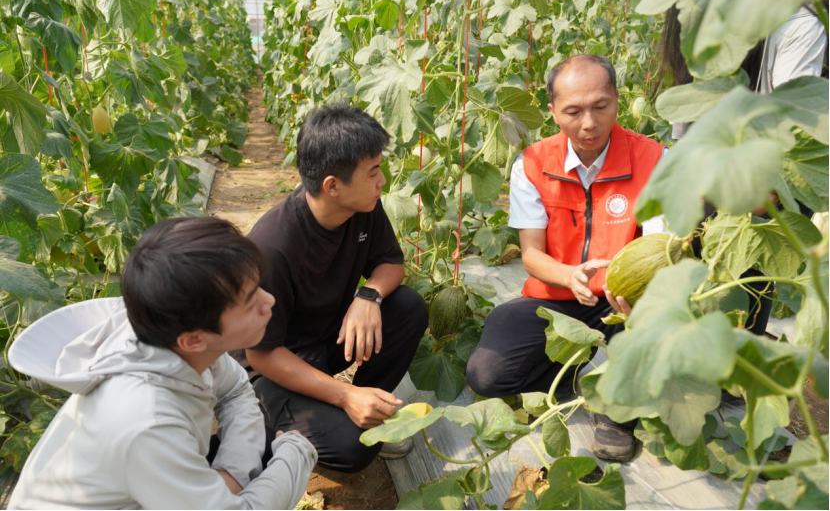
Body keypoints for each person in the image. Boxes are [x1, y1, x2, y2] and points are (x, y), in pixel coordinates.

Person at [7, 217, 317, 510]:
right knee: (275, 450)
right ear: (193, 339)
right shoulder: (147, 422)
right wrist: (296, 454)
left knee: (258, 443)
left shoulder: (172, 335)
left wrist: (232, 474)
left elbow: (235, 389)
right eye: (251, 301)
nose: (270, 301)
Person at [465, 54, 668, 463]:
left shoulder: (653, 159)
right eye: (573, 111)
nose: (589, 123)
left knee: (653, 336)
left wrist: (644, 295)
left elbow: (660, 245)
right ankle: (574, 370)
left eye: (600, 107)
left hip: (625, 300)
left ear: (617, 100)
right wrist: (571, 275)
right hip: (555, 296)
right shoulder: (534, 163)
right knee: (486, 376)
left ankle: (616, 414)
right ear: (553, 111)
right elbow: (531, 255)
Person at [243, 104, 429, 474]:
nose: (382, 182)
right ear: (333, 186)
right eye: (373, 172)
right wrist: (343, 393)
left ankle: (370, 406)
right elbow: (262, 355)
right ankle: (269, 430)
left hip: (325, 341)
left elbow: (391, 264)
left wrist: (369, 294)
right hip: (272, 370)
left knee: (408, 307)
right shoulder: (272, 247)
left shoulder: (362, 206)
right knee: (352, 449)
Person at [657, 0, 829, 337]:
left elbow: (792, 128)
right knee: (697, 266)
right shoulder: (695, 13)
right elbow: (687, 108)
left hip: (786, 163)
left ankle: (738, 366)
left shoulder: (797, 21)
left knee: (750, 264)